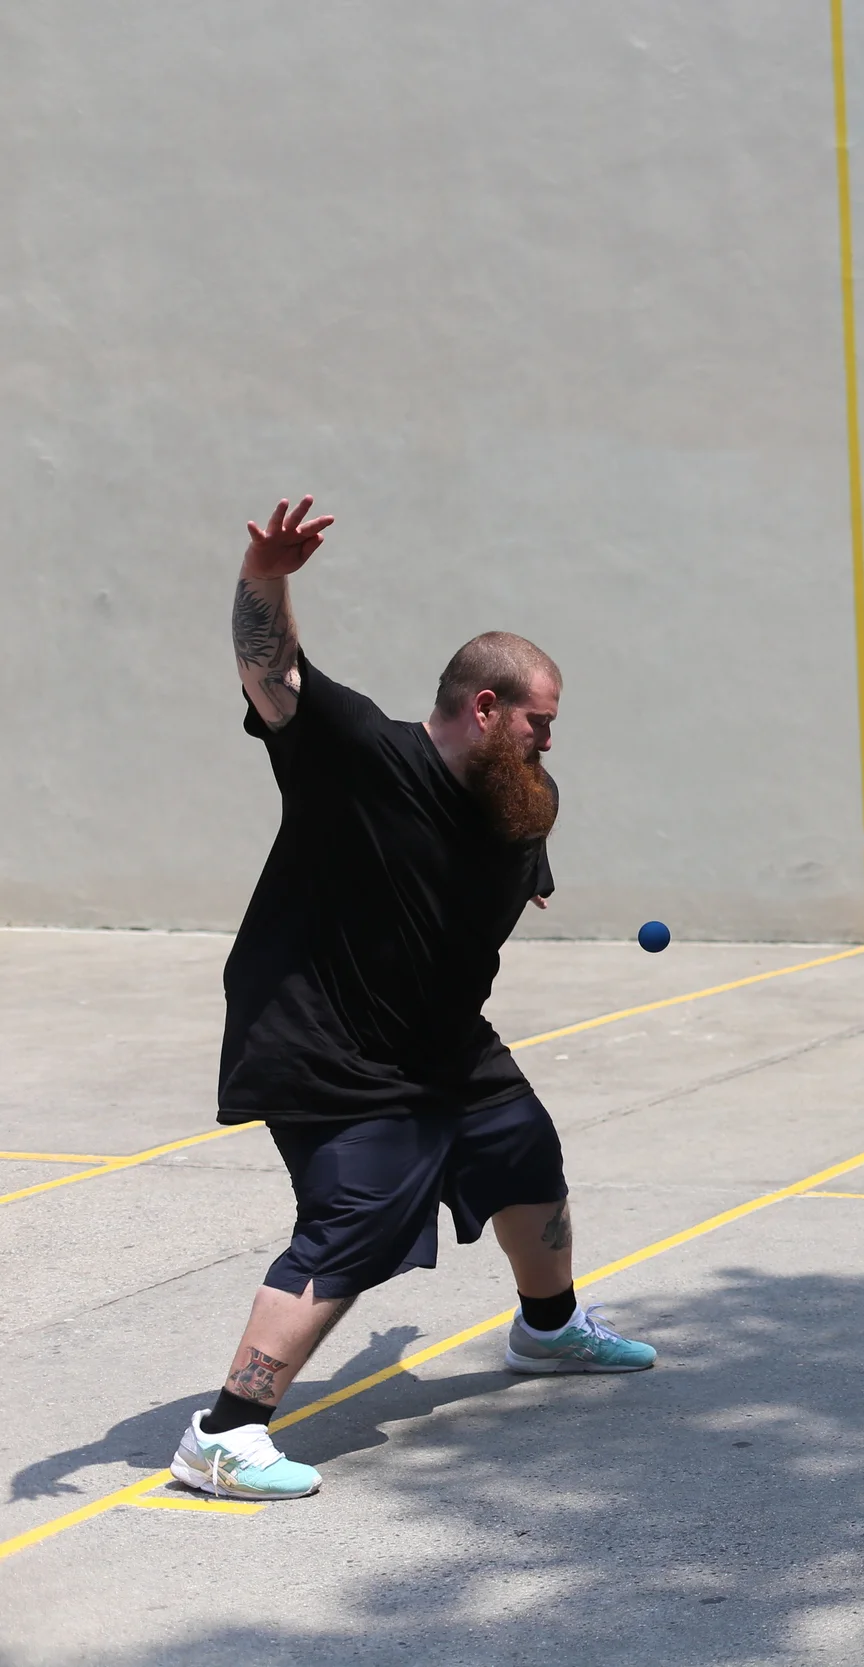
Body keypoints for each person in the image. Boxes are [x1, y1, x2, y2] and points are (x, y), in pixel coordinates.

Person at [171, 496, 655, 1502]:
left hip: (442, 1036)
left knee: (523, 1151)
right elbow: (274, 673)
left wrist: (535, 862)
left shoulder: (518, 797)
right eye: (538, 724)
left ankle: (550, 1327)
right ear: (484, 706)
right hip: (326, 1039)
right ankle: (224, 1431)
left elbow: (520, 833)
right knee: (362, 1211)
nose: (547, 745)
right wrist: (267, 574)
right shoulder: (357, 753)